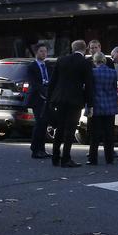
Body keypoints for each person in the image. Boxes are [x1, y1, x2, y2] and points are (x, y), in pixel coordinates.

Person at [48, 40, 94, 168]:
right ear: (84, 49)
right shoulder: (85, 63)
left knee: (60, 128)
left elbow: (53, 81)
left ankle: (55, 156)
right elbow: (89, 85)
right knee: (70, 130)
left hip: (60, 98)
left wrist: (50, 99)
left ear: (72, 48)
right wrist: (90, 104)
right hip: (75, 100)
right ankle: (66, 158)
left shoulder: (61, 60)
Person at [86, 52, 118, 165]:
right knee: (109, 134)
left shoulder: (93, 72)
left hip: (97, 106)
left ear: (95, 61)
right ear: (105, 61)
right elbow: (114, 88)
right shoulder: (113, 73)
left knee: (95, 134)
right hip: (110, 106)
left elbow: (90, 89)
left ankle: (93, 158)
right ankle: (109, 158)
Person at [27, 43, 52, 159]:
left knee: (44, 124)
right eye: (41, 51)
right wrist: (43, 91)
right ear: (36, 53)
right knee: (39, 123)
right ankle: (35, 149)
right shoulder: (32, 66)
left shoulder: (47, 66)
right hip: (37, 98)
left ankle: (42, 149)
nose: (44, 53)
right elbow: (34, 84)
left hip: (47, 98)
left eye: (45, 51)